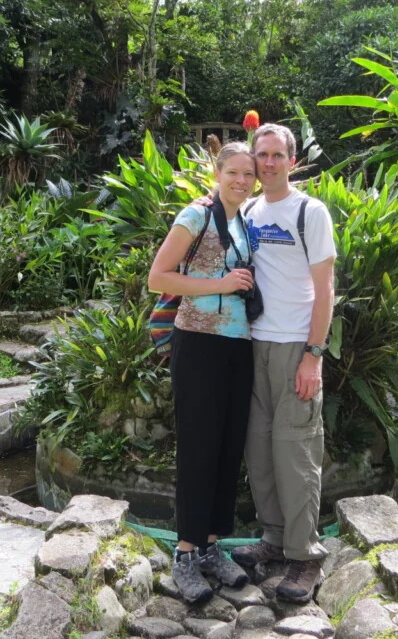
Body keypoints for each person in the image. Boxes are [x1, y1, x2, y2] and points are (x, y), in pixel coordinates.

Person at [147, 141, 258, 604]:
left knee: (229, 447)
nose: (241, 180)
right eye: (233, 172)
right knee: (198, 447)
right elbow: (158, 277)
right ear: (217, 173)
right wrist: (221, 284)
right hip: (198, 342)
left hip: (238, 345)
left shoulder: (244, 221)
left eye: (248, 174)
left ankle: (212, 547)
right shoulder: (196, 215)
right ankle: (185, 555)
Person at [231, 123, 337, 604]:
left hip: (297, 346)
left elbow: (325, 289)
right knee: (260, 450)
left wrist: (314, 355)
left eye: (278, 155)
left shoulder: (310, 212)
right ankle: (273, 538)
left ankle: (305, 554)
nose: (269, 163)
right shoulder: (249, 210)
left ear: (293, 161)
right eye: (262, 155)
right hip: (253, 344)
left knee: (296, 453)